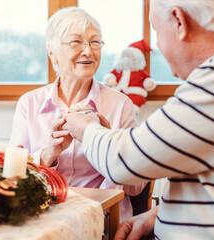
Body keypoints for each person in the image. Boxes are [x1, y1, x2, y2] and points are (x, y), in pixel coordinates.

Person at [62, 0, 214, 239]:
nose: (158, 44)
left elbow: (125, 162)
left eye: (157, 31)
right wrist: (157, 215)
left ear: (179, 21)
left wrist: (87, 128)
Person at [9, 6, 146, 222]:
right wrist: (48, 154)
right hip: (44, 217)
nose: (88, 51)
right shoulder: (29, 104)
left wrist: (108, 147)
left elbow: (136, 187)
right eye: (76, 42)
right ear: (52, 53)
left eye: (94, 42)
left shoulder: (121, 105)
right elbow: (12, 178)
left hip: (104, 219)